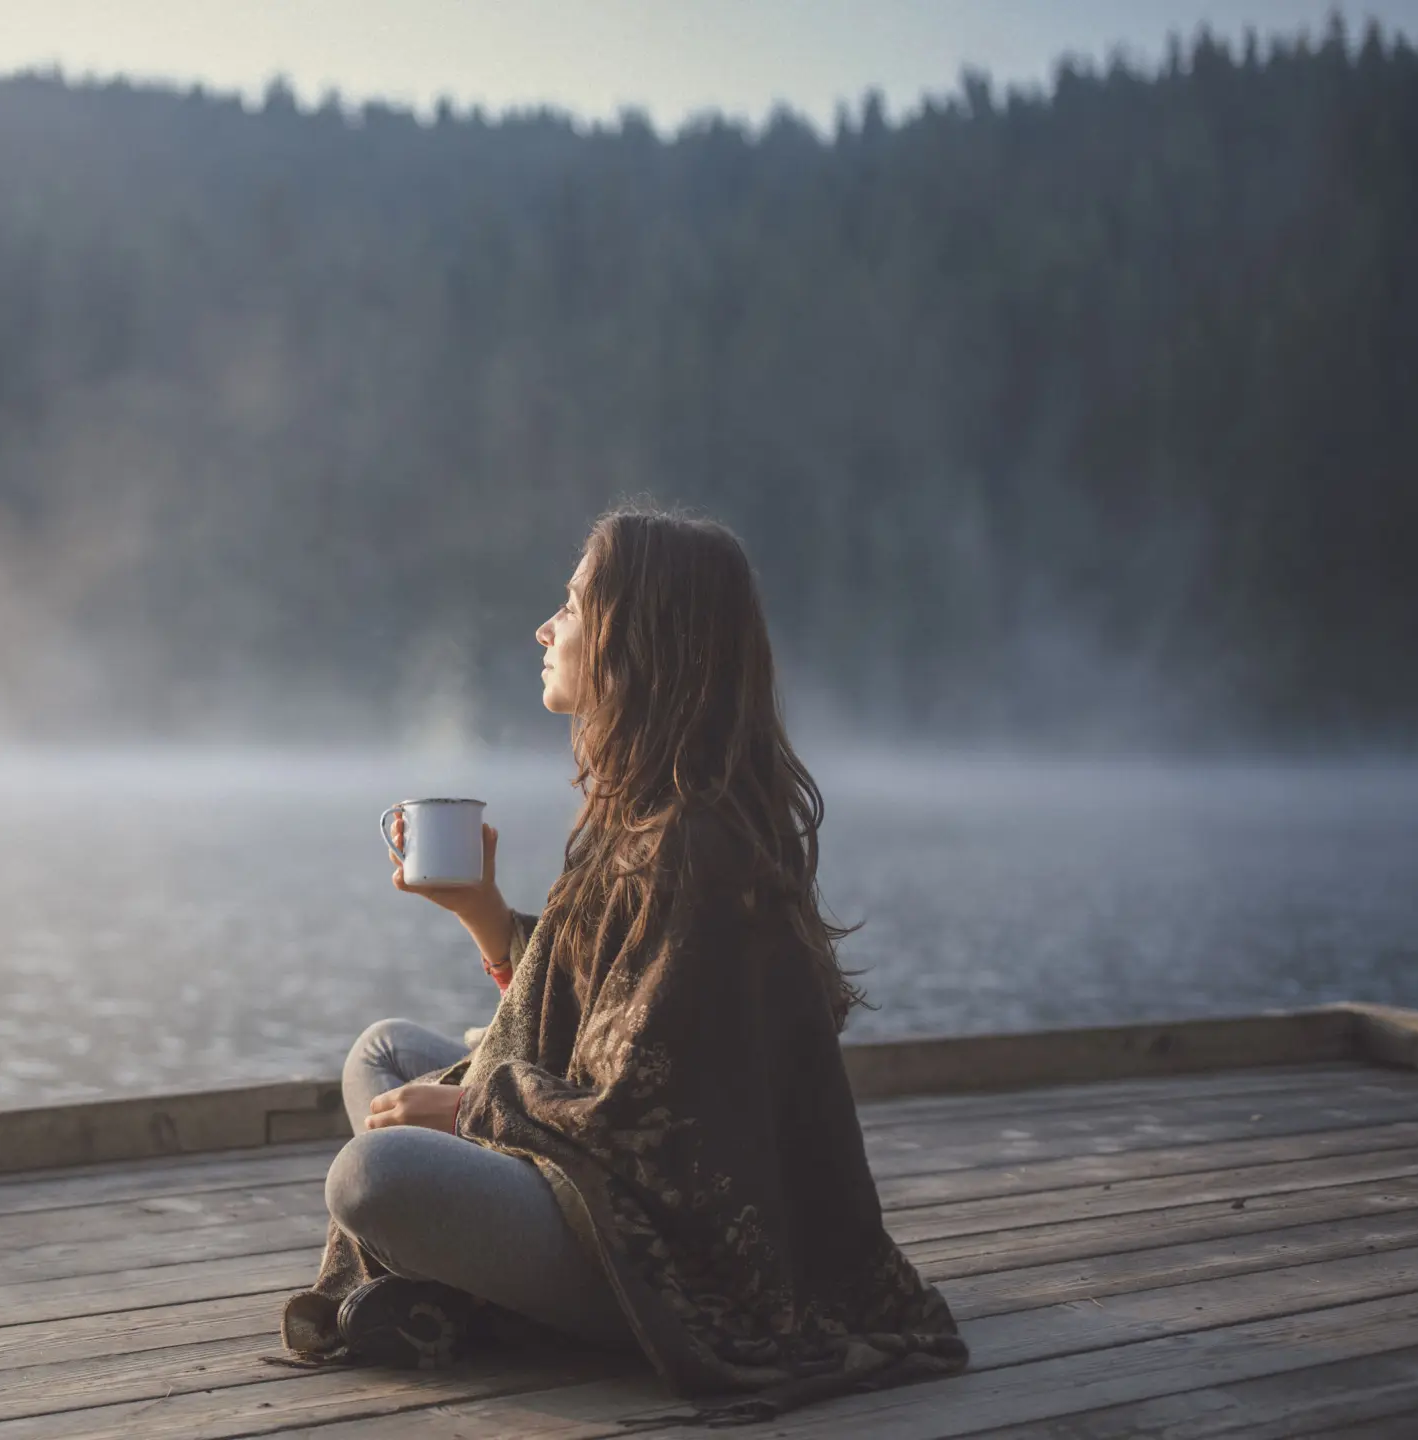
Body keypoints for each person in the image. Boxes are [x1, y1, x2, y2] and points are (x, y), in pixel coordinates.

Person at [273, 505, 969, 1424]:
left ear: (636, 639)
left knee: (375, 1179)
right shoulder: (645, 812)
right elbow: (600, 1010)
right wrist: (482, 912)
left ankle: (480, 1291)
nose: (545, 627)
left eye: (570, 604)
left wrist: (474, 1106)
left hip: (675, 1256)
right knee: (387, 1053)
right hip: (600, 1177)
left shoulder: (695, 843)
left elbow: (652, 1118)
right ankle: (466, 1270)